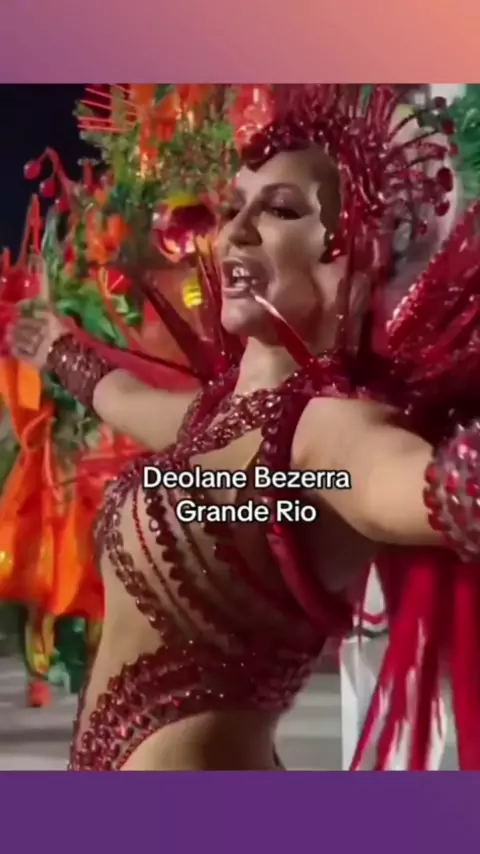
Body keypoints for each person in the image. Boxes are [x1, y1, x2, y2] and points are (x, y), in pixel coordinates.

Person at [6, 84, 480, 771]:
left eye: (280, 209)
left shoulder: (327, 431)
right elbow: (124, 396)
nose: (235, 233)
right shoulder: (213, 416)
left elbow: (412, 484)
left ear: (356, 251)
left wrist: (462, 481)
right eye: (234, 208)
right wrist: (54, 347)